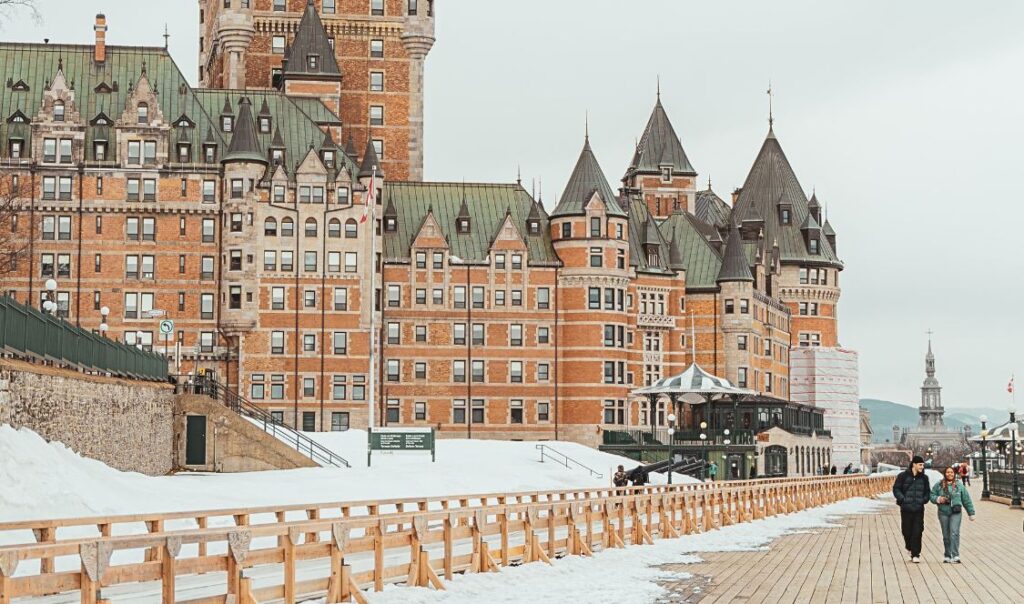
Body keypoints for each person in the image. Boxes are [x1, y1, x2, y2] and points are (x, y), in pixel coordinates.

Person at [930, 465, 976, 563]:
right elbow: (932, 495)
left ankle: (955, 555)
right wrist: (938, 499)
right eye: (947, 472)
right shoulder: (939, 485)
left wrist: (971, 512)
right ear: (944, 474)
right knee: (946, 535)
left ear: (954, 474)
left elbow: (966, 499)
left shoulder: (959, 485)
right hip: (943, 512)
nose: (949, 474)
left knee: (954, 533)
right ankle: (947, 555)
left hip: (956, 512)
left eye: (951, 472)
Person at [893, 455, 931, 563]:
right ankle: (909, 547)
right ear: (914, 464)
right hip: (906, 509)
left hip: (918, 509)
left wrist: (923, 500)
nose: (922, 467)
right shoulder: (903, 476)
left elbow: (927, 492)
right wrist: (902, 499)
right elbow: (896, 489)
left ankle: (916, 554)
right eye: (920, 465)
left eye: (923, 465)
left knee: (918, 531)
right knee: (906, 531)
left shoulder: (924, 478)